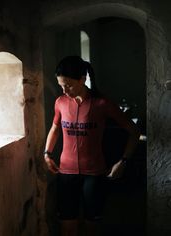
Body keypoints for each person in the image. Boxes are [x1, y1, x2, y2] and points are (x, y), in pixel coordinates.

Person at [43, 56, 140, 236]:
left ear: (82, 79)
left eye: (69, 85)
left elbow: (134, 132)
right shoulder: (60, 103)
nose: (64, 90)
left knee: (91, 227)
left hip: (94, 174)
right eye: (61, 85)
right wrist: (47, 153)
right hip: (66, 173)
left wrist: (123, 161)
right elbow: (55, 128)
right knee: (67, 227)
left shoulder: (102, 104)